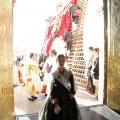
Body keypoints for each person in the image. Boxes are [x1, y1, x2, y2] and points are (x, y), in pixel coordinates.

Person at [39, 54, 82, 120]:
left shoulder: (68, 72)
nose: (61, 63)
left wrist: (72, 93)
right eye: (60, 61)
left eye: (63, 61)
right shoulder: (54, 73)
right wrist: (53, 98)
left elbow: (72, 83)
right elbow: (52, 86)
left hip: (67, 95)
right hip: (56, 94)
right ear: (56, 61)